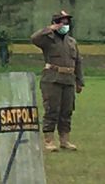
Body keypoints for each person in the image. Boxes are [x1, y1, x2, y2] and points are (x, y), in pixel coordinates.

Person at [31, 10, 83, 152]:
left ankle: (64, 140)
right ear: (55, 23)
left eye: (66, 22)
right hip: (52, 79)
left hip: (68, 80)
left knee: (67, 111)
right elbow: (34, 38)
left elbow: (78, 62)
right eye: (61, 22)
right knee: (52, 110)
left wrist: (79, 81)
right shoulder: (47, 39)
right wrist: (49, 29)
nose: (64, 25)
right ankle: (49, 140)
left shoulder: (72, 42)